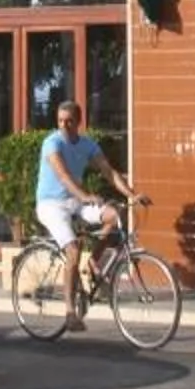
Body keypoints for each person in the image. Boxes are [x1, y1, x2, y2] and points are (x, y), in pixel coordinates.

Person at [33, 98, 128, 326]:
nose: (64, 125)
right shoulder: (52, 143)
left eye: (69, 121)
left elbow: (108, 171)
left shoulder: (86, 145)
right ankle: (69, 313)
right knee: (73, 249)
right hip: (50, 205)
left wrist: (131, 194)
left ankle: (93, 262)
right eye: (60, 121)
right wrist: (85, 196)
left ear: (79, 122)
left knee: (115, 215)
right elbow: (64, 176)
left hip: (74, 202)